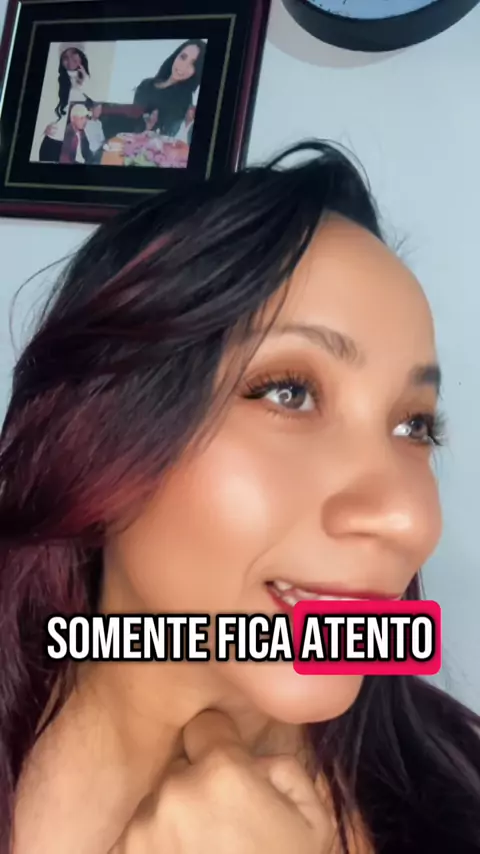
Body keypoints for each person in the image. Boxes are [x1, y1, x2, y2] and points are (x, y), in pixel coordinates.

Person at [2, 141, 480, 854]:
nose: (409, 520)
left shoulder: (457, 785)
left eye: (415, 426)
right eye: (290, 392)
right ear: (97, 434)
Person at [134, 39, 206, 137]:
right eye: (183, 57)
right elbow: (134, 121)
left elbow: (167, 135)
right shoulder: (146, 84)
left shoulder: (184, 98)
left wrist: (149, 128)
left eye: (193, 64)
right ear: (176, 56)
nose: (183, 66)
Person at [39, 43, 93, 162]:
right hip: (54, 144)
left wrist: (83, 84)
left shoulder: (91, 82)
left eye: (74, 54)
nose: (70, 59)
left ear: (81, 56)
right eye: (65, 57)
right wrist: (43, 127)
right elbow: (45, 107)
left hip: (75, 147)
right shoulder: (58, 81)